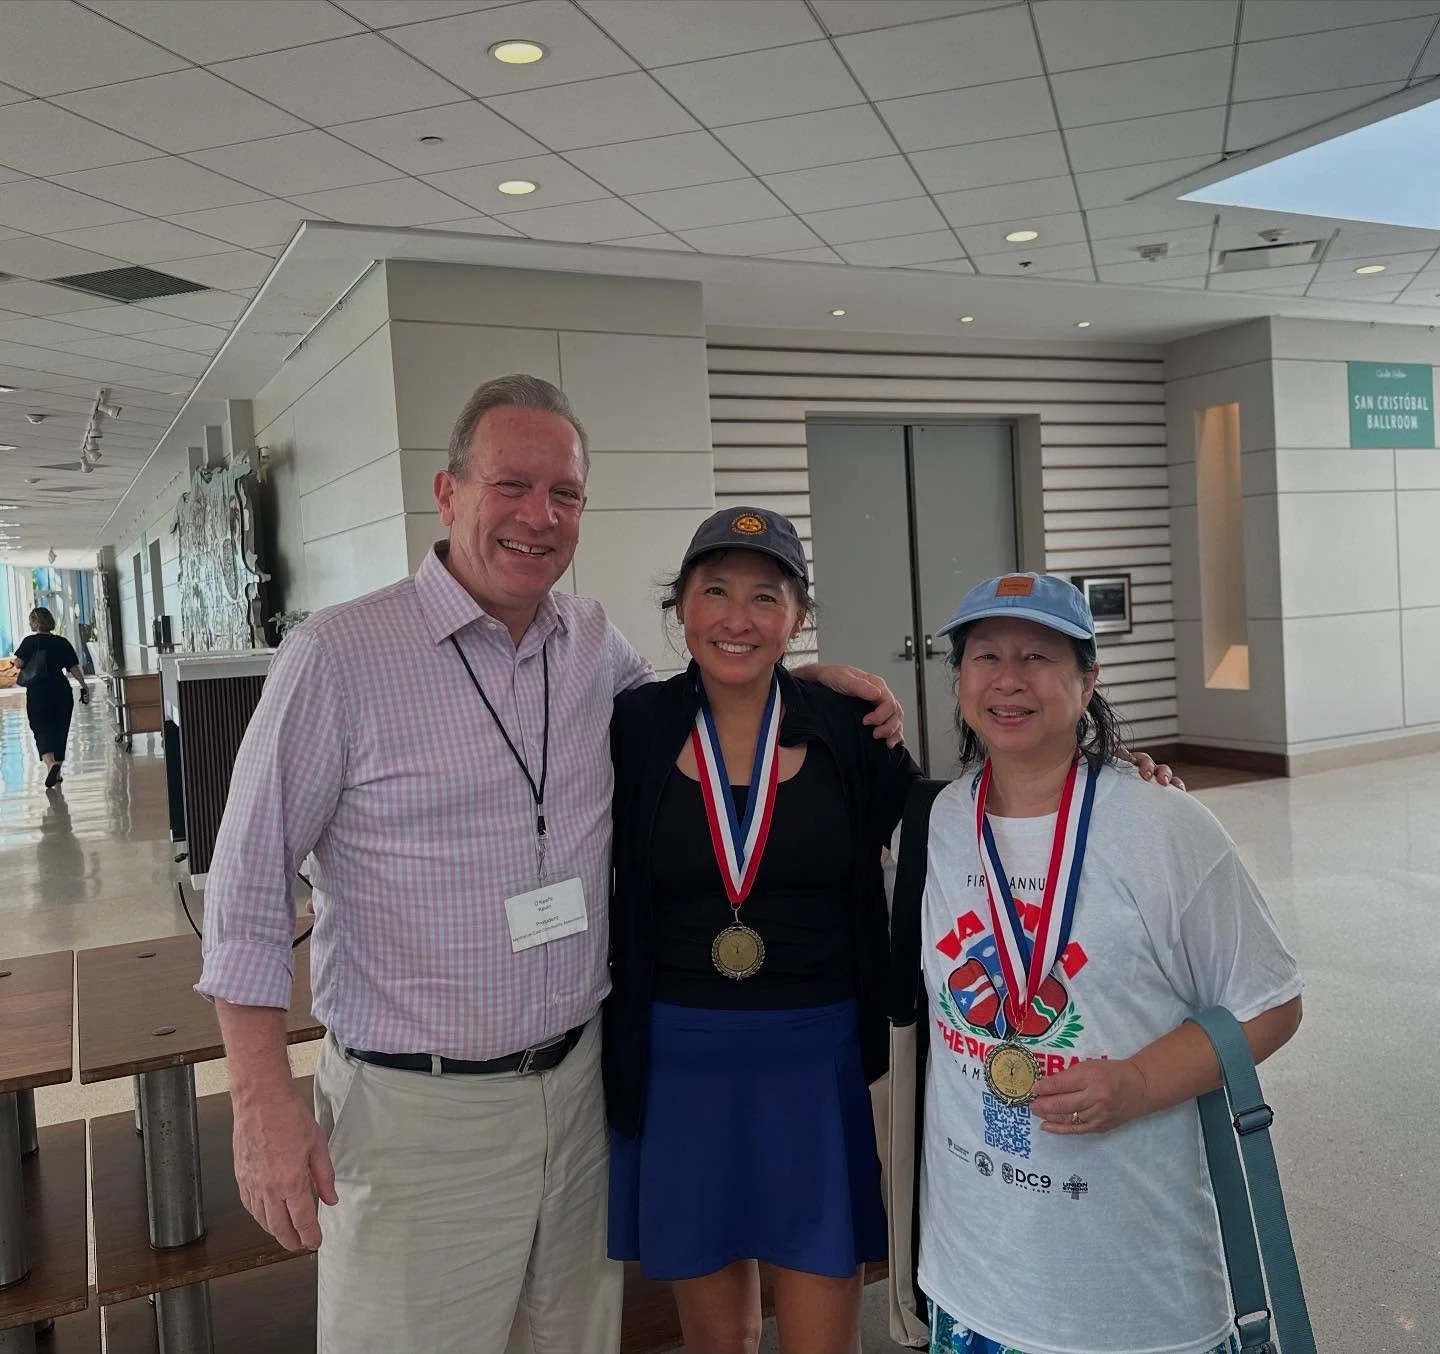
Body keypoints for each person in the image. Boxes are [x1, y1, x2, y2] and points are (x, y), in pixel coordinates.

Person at [196, 375, 901, 1354]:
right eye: (511, 486)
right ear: (448, 493)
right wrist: (261, 1100)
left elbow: (690, 714)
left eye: (564, 494)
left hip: (576, 1094)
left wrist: (800, 683)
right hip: (417, 1112)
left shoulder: (589, 643)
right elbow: (244, 886)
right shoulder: (341, 656)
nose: (540, 516)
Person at [898, 573, 1304, 1354]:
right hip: (972, 1275)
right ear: (959, 682)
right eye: (984, 656)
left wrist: (1140, 1082)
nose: (1008, 679)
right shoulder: (945, 819)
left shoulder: (1162, 826)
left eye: (1038, 658)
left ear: (1088, 681)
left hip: (1130, 1289)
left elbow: (1272, 1002)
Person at [605, 507, 922, 1354]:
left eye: (765, 597)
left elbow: (950, 828)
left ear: (799, 616)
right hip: (678, 1059)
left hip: (814, 1057)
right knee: (720, 1342)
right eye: (715, 592)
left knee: (823, 1342)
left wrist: (1101, 777)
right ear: (681, 608)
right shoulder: (634, 728)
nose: (736, 619)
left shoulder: (848, 728)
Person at [13, 606, 89, 789]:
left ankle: (51, 765)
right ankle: (58, 772)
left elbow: (19, 663)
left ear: (37, 623)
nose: (30, 624)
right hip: (61, 691)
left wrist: (18, 661)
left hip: (38, 692)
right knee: (59, 730)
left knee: (41, 729)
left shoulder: (30, 642)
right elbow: (74, 668)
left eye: (31, 621)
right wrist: (84, 686)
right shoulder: (62, 642)